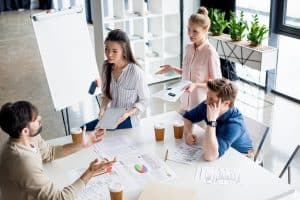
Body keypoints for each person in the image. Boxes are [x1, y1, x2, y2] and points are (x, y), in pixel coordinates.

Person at [0, 101, 114, 200]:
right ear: (24, 131)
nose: (40, 118)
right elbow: (60, 198)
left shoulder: (28, 136)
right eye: (35, 119)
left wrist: (82, 144)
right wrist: (90, 172)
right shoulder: (22, 161)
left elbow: (49, 153)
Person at [156, 6, 222, 112]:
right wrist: (173, 68)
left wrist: (196, 85)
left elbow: (217, 84)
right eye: (189, 29)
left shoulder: (210, 52)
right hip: (184, 104)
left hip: (201, 107)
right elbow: (188, 74)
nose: (190, 34)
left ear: (205, 30)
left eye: (195, 31)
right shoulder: (188, 48)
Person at [84, 29, 150, 130]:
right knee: (82, 130)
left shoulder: (136, 72)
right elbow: (106, 95)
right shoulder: (106, 67)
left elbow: (144, 101)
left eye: (114, 51)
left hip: (129, 120)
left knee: (92, 134)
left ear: (124, 51)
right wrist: (102, 109)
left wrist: (127, 114)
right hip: (111, 117)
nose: (109, 54)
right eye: (107, 49)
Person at [183, 78, 253, 161]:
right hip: (219, 150)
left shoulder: (234, 125)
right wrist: (188, 133)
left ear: (227, 103)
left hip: (241, 157)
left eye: (211, 99)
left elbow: (209, 157)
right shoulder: (208, 104)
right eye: (207, 96)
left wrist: (211, 121)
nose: (206, 102)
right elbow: (188, 117)